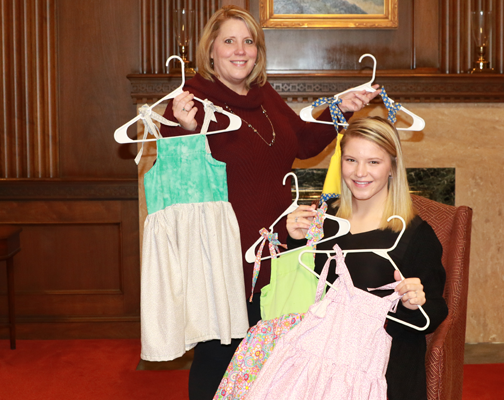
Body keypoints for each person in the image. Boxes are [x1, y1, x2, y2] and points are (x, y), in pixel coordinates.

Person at [158, 5, 380, 400]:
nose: (240, 50)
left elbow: (303, 142)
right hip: (226, 256)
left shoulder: (263, 98)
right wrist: (187, 130)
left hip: (278, 252)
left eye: (249, 42)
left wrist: (340, 109)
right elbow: (177, 178)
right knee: (219, 355)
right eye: (229, 41)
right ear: (210, 50)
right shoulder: (188, 102)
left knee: (266, 358)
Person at [285, 116, 449, 400]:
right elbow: (302, 291)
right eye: (351, 160)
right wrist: (294, 241)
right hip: (319, 362)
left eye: (373, 162)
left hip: (383, 370)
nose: (360, 172)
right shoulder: (325, 219)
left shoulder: (415, 235)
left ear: (392, 167)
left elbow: (434, 313)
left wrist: (415, 302)